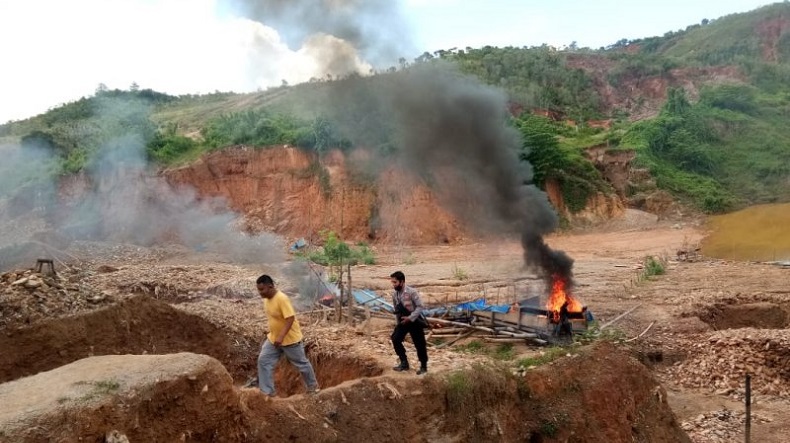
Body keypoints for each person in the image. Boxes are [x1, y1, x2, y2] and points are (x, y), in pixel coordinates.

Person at [255, 274, 319, 397]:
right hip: (273, 339)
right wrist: (275, 335)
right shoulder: (267, 300)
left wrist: (281, 336)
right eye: (258, 290)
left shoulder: (282, 299)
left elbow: (290, 319)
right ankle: (267, 393)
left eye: (262, 289)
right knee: (263, 360)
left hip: (290, 340)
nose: (260, 293)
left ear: (270, 286)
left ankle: (313, 388)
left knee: (302, 364)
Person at [390, 271, 429, 375]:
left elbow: (420, 306)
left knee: (419, 344)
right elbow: (396, 309)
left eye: (395, 282)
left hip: (414, 320)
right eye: (392, 282)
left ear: (402, 281)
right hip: (403, 321)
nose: (393, 284)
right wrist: (398, 323)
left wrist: (410, 318)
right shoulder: (395, 295)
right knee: (395, 339)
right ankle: (404, 362)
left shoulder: (412, 292)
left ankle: (423, 366)